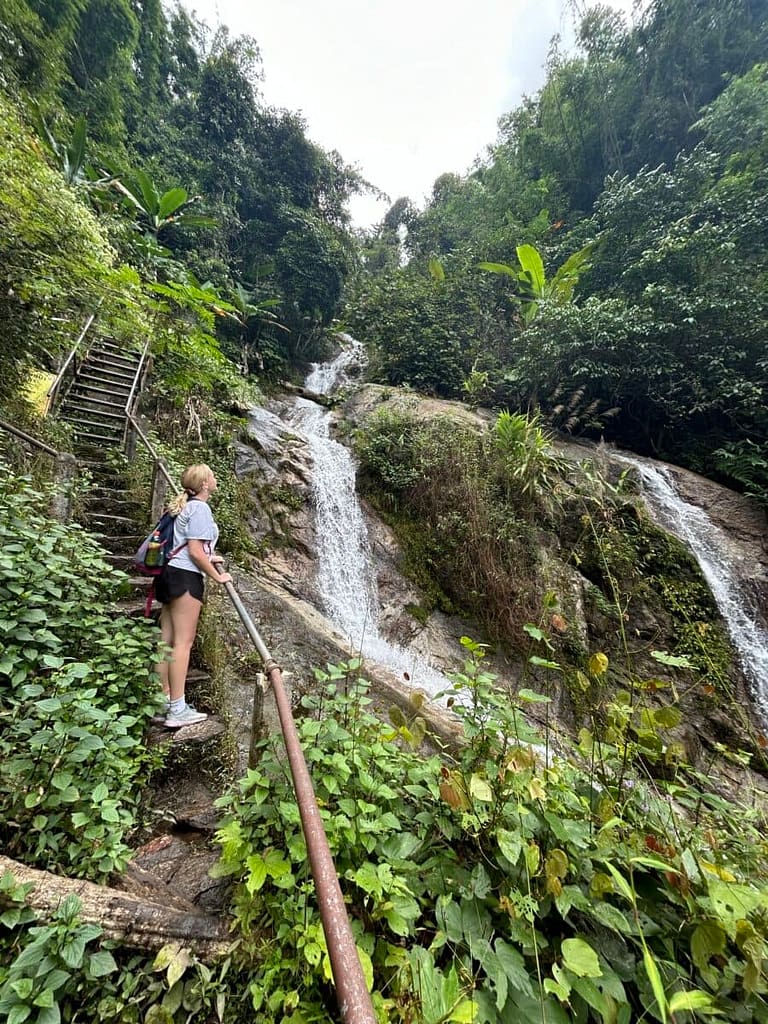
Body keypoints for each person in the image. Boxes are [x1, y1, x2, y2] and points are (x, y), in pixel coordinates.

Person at [154, 464, 232, 728]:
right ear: (205, 484)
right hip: (186, 578)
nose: (215, 478)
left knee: (166, 641)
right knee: (182, 645)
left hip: (169, 574)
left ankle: (162, 699)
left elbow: (188, 545)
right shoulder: (200, 508)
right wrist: (217, 575)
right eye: (213, 475)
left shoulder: (186, 505)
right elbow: (196, 552)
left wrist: (210, 556)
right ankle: (177, 708)